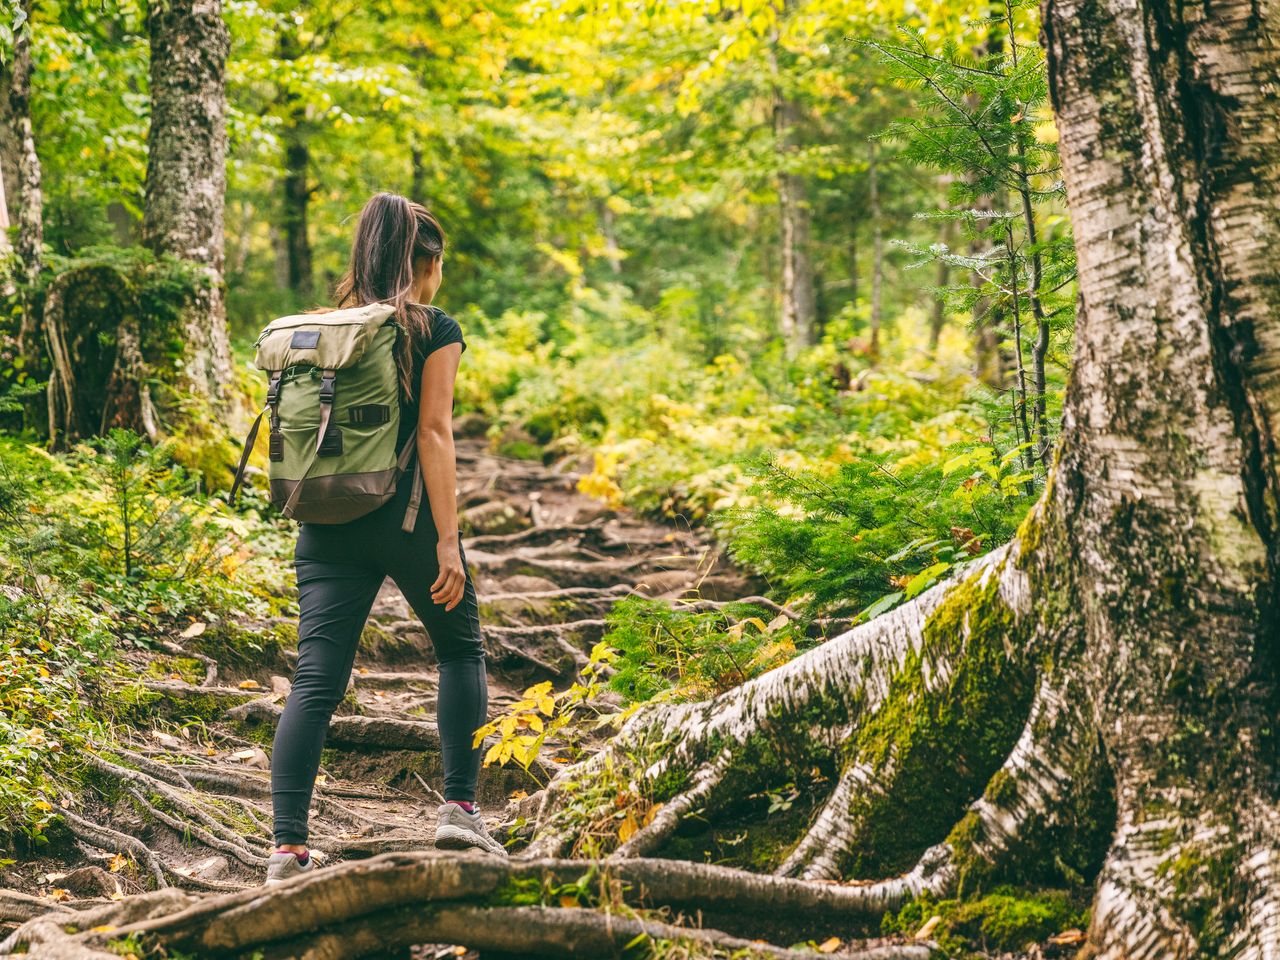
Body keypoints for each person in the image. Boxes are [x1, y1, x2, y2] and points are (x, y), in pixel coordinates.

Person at [265, 192, 506, 885]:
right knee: (461, 650)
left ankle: (287, 848)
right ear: (422, 261)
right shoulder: (433, 327)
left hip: (326, 522)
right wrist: (447, 540)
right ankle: (459, 809)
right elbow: (434, 432)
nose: (440, 279)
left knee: (314, 680)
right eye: (439, 264)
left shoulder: (328, 329)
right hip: (405, 522)